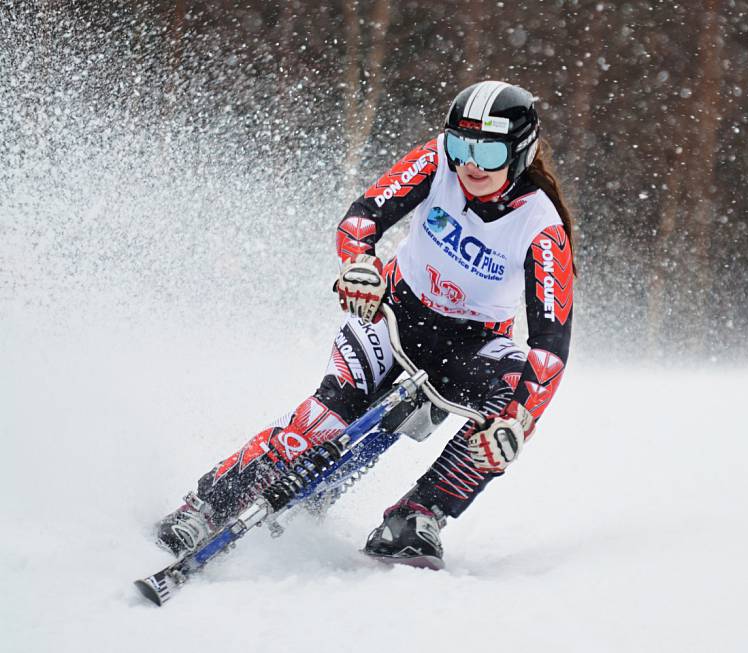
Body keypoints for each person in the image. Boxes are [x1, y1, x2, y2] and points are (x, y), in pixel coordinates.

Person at [155, 80, 575, 568]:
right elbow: (362, 220)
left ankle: (418, 516)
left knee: (511, 410)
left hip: (472, 347)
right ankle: (208, 504)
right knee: (329, 418)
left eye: (489, 151)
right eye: (461, 145)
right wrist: (359, 267)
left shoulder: (542, 226)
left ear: (520, 152)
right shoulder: (438, 160)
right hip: (395, 312)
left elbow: (549, 348)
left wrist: (516, 417)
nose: (471, 164)